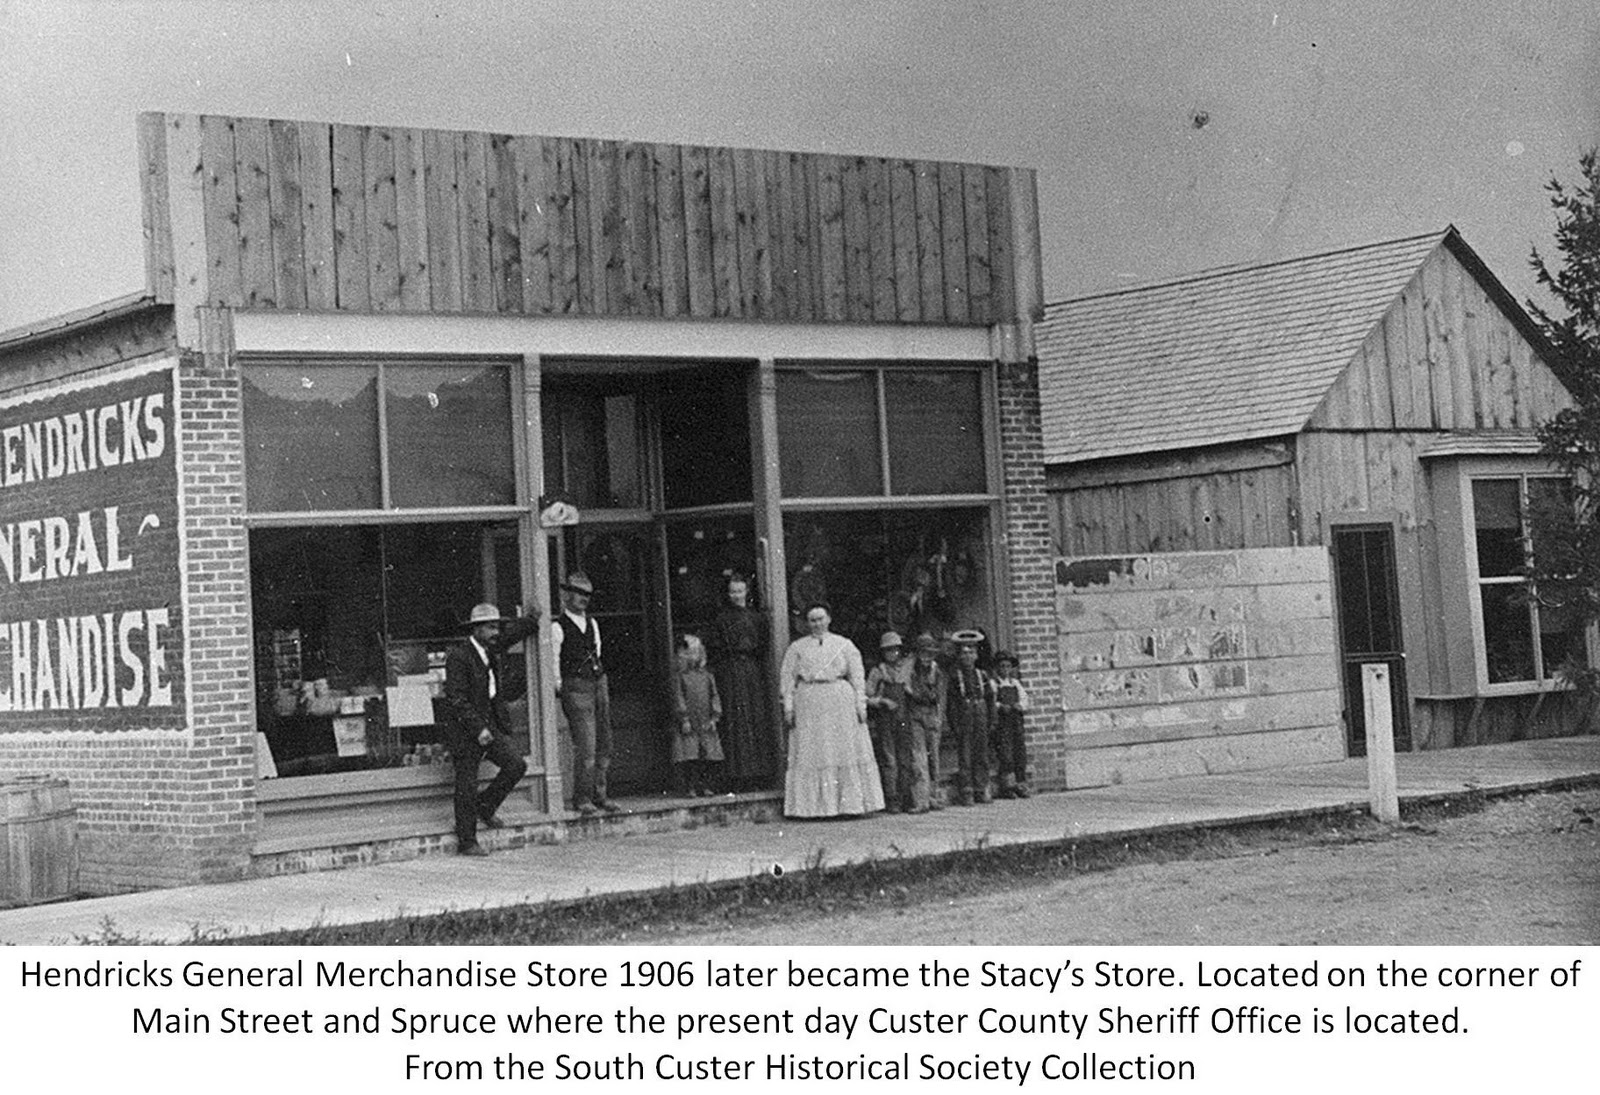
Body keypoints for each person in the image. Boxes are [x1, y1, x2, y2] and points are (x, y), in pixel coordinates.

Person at [442, 602, 536, 856]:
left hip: (490, 726)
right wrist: (478, 728)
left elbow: (509, 636)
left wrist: (531, 621)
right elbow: (456, 699)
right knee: (466, 783)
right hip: (466, 730)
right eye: (491, 627)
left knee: (516, 765)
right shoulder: (459, 657)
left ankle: (485, 807)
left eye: (497, 627)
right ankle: (467, 840)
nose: (496, 632)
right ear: (476, 629)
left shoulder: (489, 648)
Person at [778, 602, 884, 818]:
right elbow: (787, 679)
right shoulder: (797, 648)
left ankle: (849, 806)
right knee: (813, 751)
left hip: (839, 702)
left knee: (841, 750)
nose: (817, 624)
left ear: (829, 619)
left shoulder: (844, 645)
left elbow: (857, 677)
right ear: (807, 623)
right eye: (812, 620)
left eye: (820, 619)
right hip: (809, 702)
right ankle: (813, 808)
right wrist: (788, 707)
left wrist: (860, 705)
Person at [551, 572, 617, 816]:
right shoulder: (558, 627)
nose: (583, 599)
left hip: (598, 682)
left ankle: (601, 794)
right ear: (567, 595)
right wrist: (559, 686)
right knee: (586, 745)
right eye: (578, 593)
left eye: (587, 595)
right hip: (576, 686)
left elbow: (596, 651)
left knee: (604, 742)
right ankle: (582, 797)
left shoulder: (592, 623)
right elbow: (554, 661)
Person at [705, 574, 778, 791]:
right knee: (735, 719)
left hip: (752, 672)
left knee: (755, 717)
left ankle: (759, 773)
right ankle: (736, 775)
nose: (737, 596)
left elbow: (763, 645)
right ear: (728, 594)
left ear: (747, 592)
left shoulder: (757, 618)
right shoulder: (721, 619)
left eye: (740, 591)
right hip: (731, 671)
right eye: (733, 592)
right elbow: (715, 647)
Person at [865, 631, 930, 814]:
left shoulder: (907, 669)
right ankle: (892, 798)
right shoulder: (878, 671)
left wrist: (910, 692)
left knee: (905, 758)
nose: (892, 654)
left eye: (895, 650)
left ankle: (907, 797)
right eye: (888, 651)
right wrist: (881, 701)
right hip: (885, 720)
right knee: (889, 759)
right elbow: (866, 695)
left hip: (904, 718)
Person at [670, 634, 723, 797]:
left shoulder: (707, 676)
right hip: (690, 722)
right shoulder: (681, 677)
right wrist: (684, 718)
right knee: (690, 755)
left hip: (705, 720)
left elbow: (714, 695)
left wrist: (715, 717)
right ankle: (690, 787)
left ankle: (706, 785)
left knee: (707, 755)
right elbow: (679, 697)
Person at [947, 628, 995, 806]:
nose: (967, 656)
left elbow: (990, 698)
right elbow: (952, 703)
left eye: (971, 652)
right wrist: (954, 724)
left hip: (980, 712)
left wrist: (992, 720)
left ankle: (981, 788)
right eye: (964, 653)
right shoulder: (956, 676)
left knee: (981, 754)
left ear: (976, 655)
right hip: (964, 714)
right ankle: (967, 791)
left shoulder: (982, 675)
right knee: (965, 755)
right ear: (959, 656)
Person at [905, 632, 948, 810]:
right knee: (918, 757)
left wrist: (939, 717)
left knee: (934, 758)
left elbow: (939, 696)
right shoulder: (910, 669)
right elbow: (907, 689)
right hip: (915, 715)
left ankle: (934, 797)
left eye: (930, 654)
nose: (926, 657)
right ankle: (920, 800)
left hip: (932, 714)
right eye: (923, 653)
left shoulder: (936, 671)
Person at [991, 650, 1032, 799]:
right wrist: (1000, 706)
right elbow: (991, 702)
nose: (1005, 670)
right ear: (997, 668)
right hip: (1002, 723)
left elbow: (1025, 699)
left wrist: (1020, 705)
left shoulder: (1015, 683)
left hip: (1015, 721)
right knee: (1005, 754)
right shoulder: (993, 684)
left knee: (1019, 752)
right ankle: (1007, 786)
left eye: (1008, 666)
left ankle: (1020, 784)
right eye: (1002, 666)